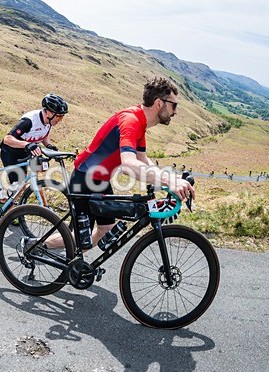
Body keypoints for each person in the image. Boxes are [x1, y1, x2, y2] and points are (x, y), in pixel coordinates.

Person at [49, 76, 194, 249]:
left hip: (100, 180)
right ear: (158, 103)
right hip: (84, 178)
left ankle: (79, 269)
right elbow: (128, 165)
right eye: (174, 105)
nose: (175, 111)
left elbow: (142, 159)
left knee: (105, 231)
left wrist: (169, 179)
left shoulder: (141, 123)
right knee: (81, 240)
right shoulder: (131, 121)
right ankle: (35, 246)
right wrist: (168, 182)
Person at [0, 93, 68, 200]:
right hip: (10, 152)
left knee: (25, 185)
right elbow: (7, 139)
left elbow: (44, 136)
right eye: (58, 116)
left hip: (25, 153)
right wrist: (27, 144)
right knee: (19, 187)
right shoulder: (29, 121)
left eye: (62, 117)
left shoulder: (48, 122)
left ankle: (11, 207)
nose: (59, 120)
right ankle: (0, 195)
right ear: (49, 112)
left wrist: (49, 146)